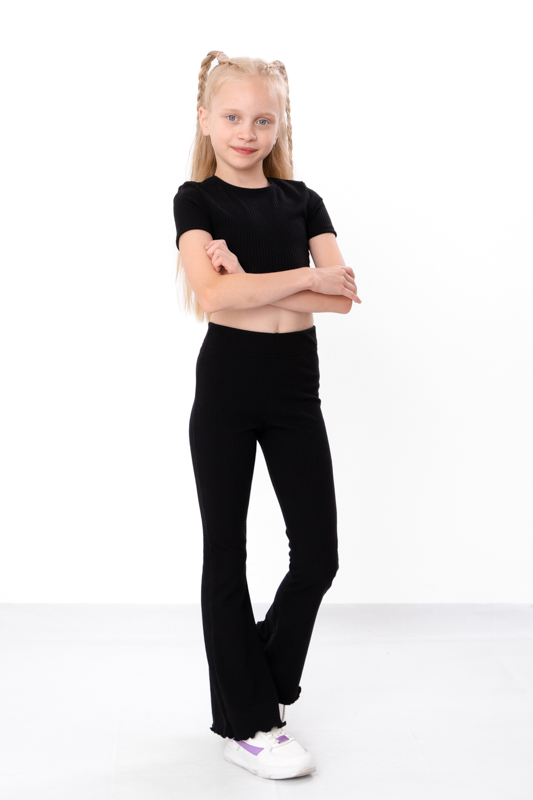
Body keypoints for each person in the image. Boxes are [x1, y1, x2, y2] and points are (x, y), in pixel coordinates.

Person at [172, 50, 361, 781]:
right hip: (228, 383)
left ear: (280, 124)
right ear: (205, 120)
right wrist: (299, 280)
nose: (245, 132)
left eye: (261, 119)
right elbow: (214, 298)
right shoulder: (196, 201)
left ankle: (253, 684)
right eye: (231, 117)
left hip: (293, 388)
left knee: (317, 557)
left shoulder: (302, 201)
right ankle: (249, 724)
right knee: (226, 554)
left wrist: (252, 279)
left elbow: (342, 297)